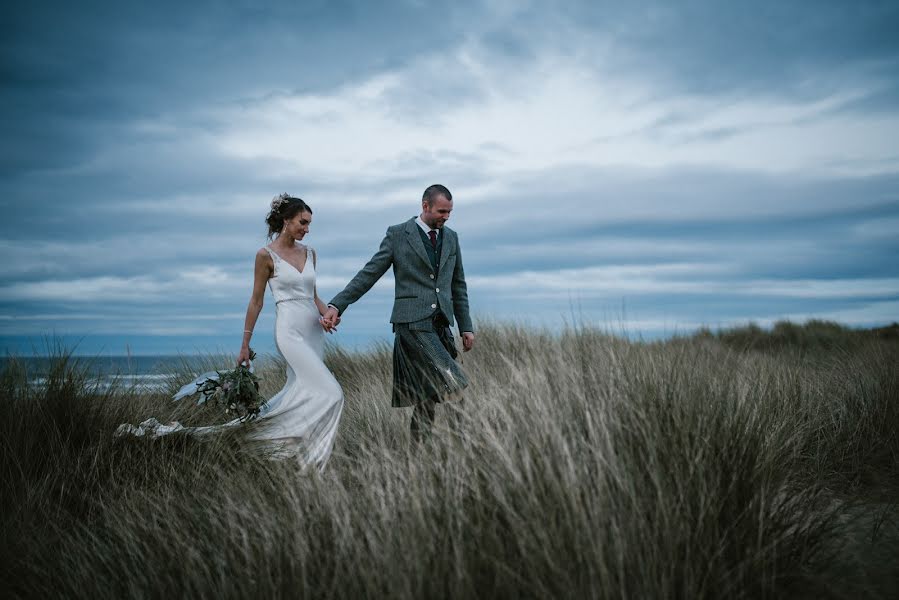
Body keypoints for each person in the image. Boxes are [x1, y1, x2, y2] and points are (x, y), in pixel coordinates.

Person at [118, 194, 344, 471]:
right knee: (333, 393)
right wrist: (244, 345)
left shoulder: (310, 253)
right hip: (289, 331)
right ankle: (315, 462)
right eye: (303, 222)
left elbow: (313, 295)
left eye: (309, 224)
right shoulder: (265, 256)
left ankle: (293, 452)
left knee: (304, 394)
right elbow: (256, 301)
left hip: (313, 332)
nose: (307, 229)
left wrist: (328, 314)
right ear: (286, 221)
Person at [322, 184, 474, 442]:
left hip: (441, 325)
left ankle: (418, 454)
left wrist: (465, 326)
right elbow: (369, 274)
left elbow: (458, 285)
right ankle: (465, 445)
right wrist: (337, 305)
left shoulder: (452, 238)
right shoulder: (398, 235)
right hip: (412, 325)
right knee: (455, 382)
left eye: (450, 212)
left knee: (426, 396)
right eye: (441, 211)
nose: (446, 217)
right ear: (425, 206)